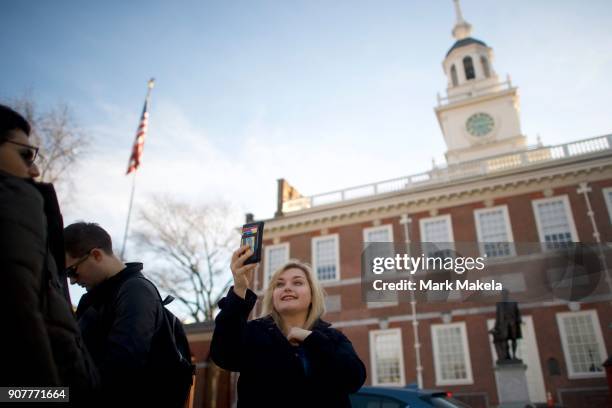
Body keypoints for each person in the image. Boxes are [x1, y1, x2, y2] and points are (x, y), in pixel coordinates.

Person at [0, 104, 99, 403]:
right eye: (25, 154)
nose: (35, 169)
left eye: (72, 271)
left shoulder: (131, 294)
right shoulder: (14, 204)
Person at [211, 246, 366, 407]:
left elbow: (354, 378)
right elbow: (223, 354)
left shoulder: (333, 338)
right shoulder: (253, 333)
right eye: (279, 284)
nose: (287, 287)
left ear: (312, 295)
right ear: (273, 297)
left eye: (297, 282)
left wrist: (310, 338)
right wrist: (240, 287)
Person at [64, 222, 187, 406]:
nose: (72, 281)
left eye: (72, 271)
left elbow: (122, 367)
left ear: (96, 255)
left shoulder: (136, 291)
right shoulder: (92, 301)